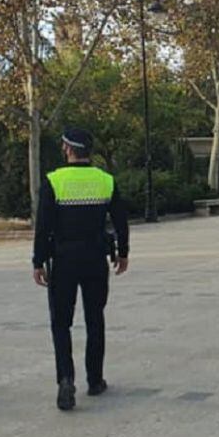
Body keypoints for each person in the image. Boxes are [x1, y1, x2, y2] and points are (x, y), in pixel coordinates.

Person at [32, 128, 129, 411]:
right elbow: (121, 220)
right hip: (95, 258)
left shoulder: (54, 180)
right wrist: (123, 253)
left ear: (67, 149)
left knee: (61, 322)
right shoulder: (105, 180)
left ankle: (65, 378)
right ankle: (95, 379)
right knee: (94, 318)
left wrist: (38, 261)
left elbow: (43, 227)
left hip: (63, 260)